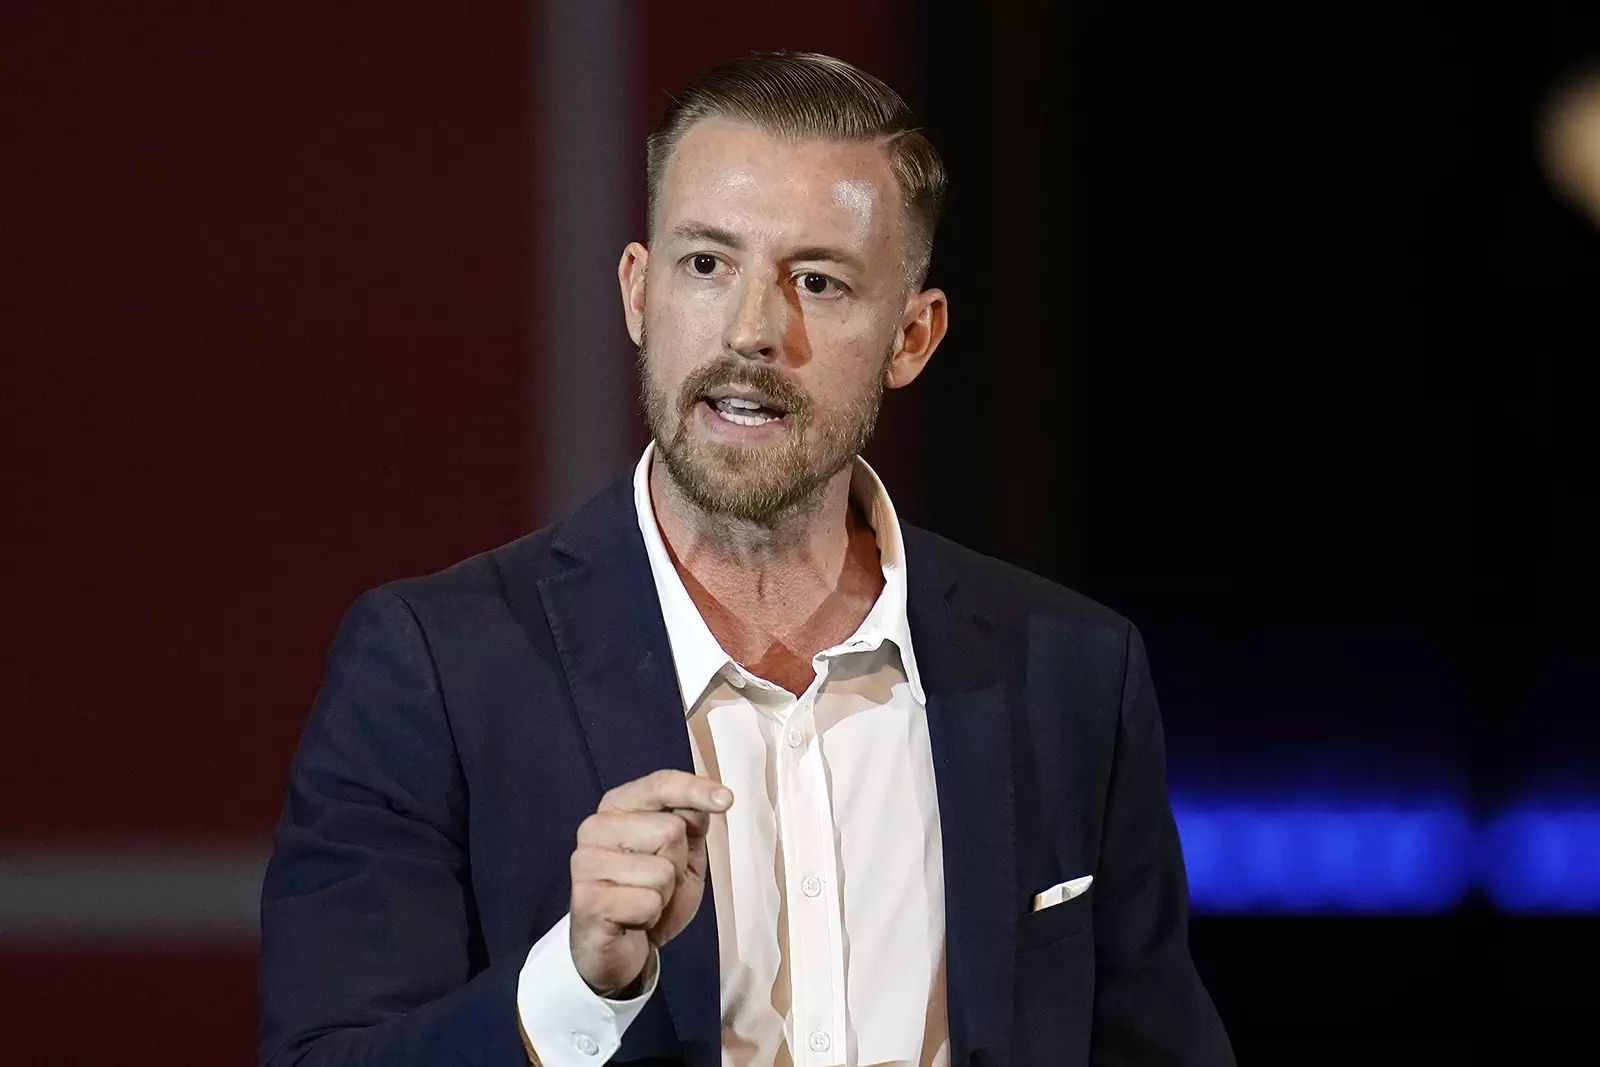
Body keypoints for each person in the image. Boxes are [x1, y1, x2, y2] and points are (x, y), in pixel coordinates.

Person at [258, 51, 1234, 1067]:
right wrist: (576, 984)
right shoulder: (437, 665)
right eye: (706, 264)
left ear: (912, 336)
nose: (752, 331)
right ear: (639, 293)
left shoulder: (1068, 667)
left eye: (816, 280)